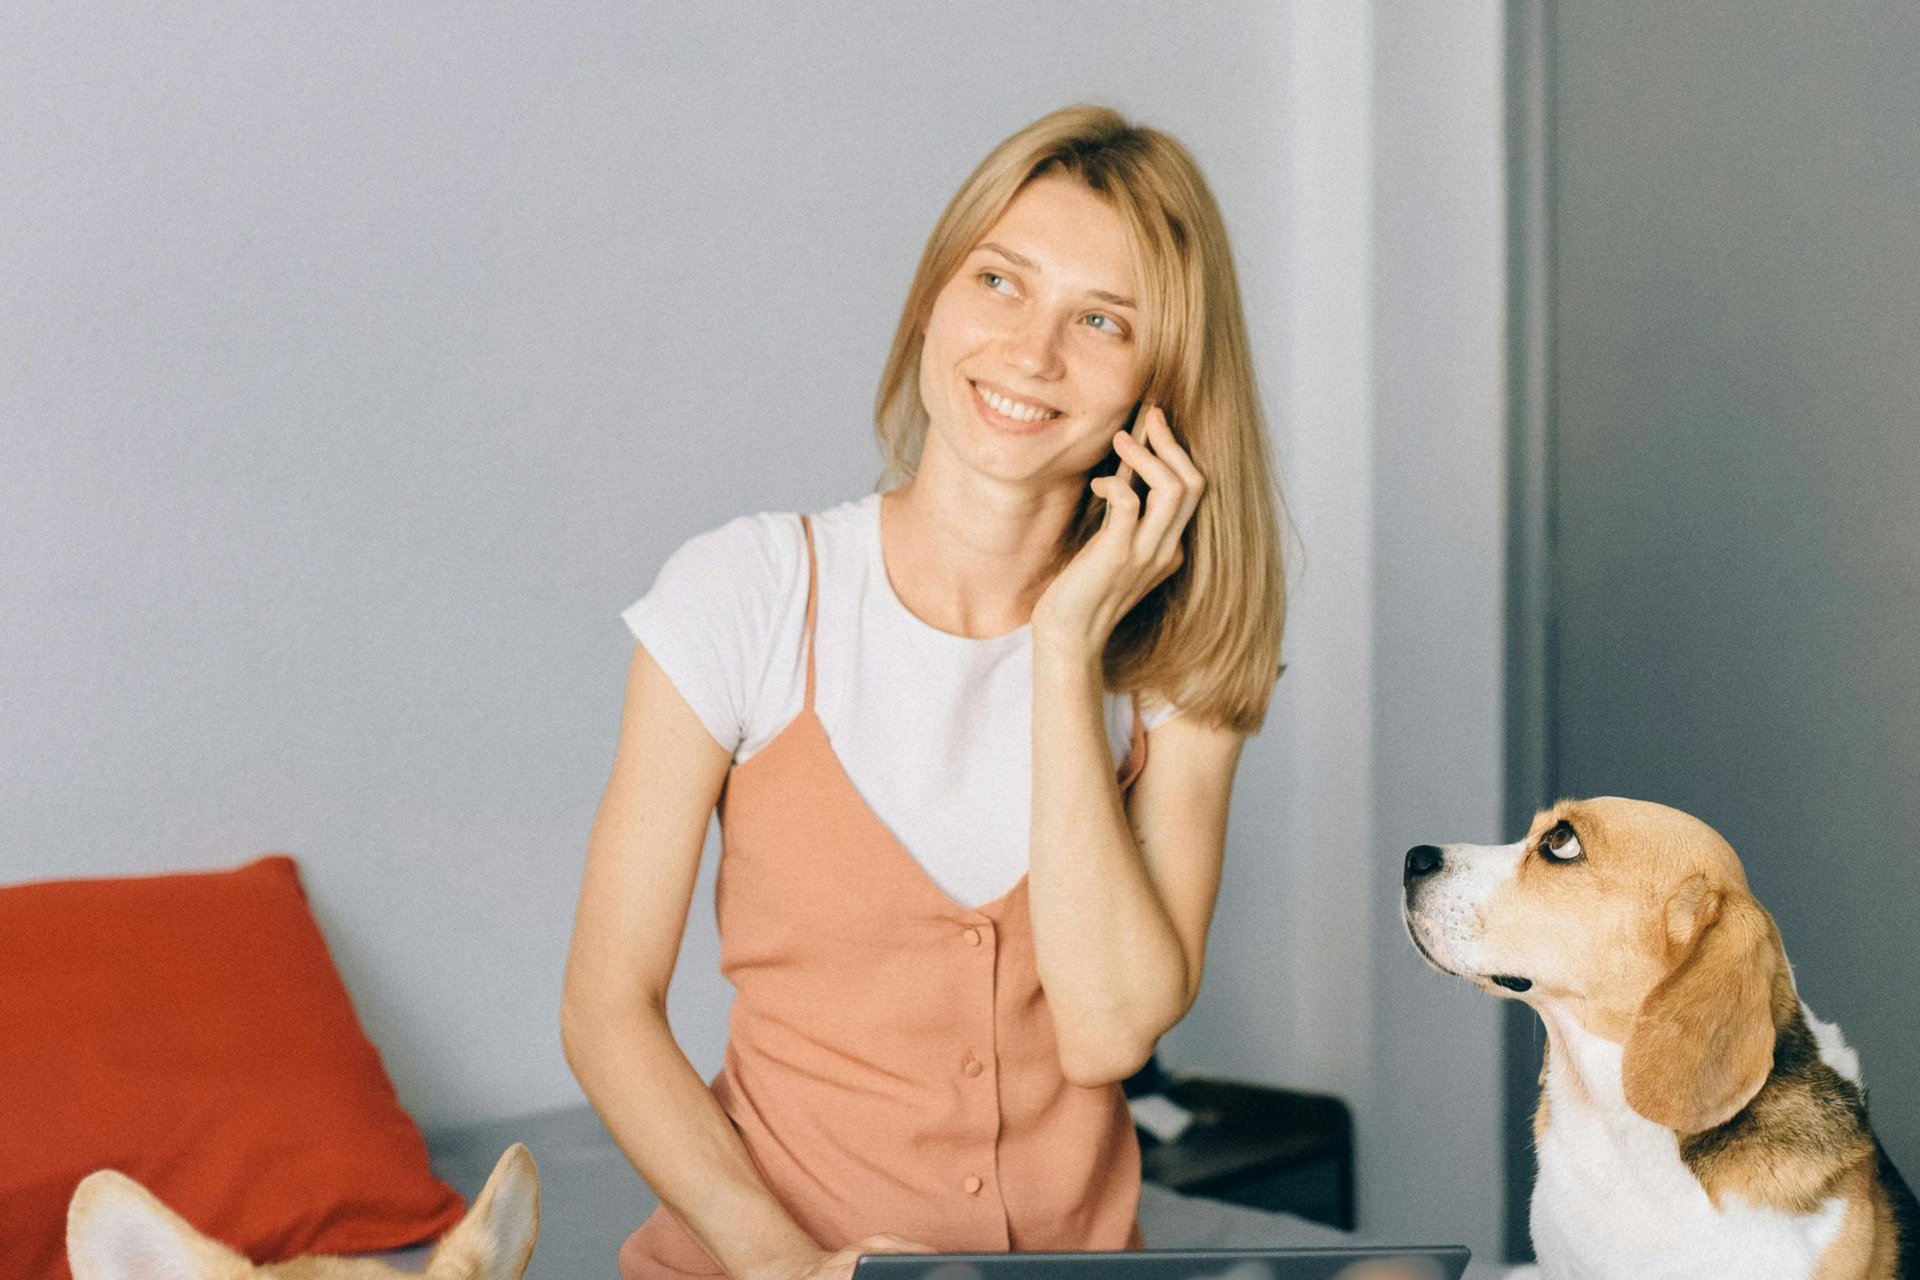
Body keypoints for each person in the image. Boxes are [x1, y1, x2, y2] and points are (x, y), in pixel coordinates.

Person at [561, 103, 1290, 1280]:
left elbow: (1109, 1029)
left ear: (1160, 391)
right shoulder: (747, 591)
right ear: (935, 294)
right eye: (1001, 281)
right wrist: (783, 1261)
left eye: (1099, 319)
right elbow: (607, 1006)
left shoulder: (1176, 664)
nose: (1032, 351)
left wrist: (1063, 648)